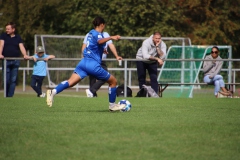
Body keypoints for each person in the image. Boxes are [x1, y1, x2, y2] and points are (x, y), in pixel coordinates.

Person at [46, 16, 126, 111]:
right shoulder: (98, 34)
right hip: (93, 65)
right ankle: (112, 106)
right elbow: (100, 41)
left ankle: (53, 92)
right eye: (104, 25)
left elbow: (91, 46)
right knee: (113, 82)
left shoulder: (90, 34)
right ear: (102, 25)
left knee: (70, 82)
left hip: (83, 63)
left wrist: (101, 51)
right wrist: (111, 37)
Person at [81, 32, 122, 97]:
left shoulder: (105, 34)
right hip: (93, 59)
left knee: (105, 76)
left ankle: (91, 91)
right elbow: (84, 47)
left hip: (101, 60)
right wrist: (84, 57)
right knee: (95, 78)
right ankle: (92, 93)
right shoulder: (90, 34)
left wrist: (116, 56)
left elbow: (111, 45)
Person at [0, 22, 30, 97]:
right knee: (6, 80)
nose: (7, 30)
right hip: (6, 60)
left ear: (13, 29)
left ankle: (10, 96)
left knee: (13, 80)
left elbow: (21, 47)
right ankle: (6, 95)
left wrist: (25, 55)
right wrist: (0, 54)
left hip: (15, 61)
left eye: (8, 29)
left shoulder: (18, 37)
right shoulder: (3, 36)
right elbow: (1, 45)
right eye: (6, 29)